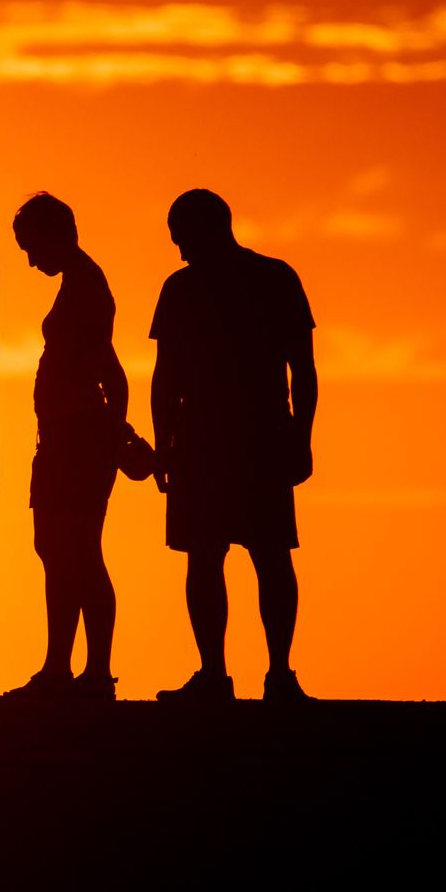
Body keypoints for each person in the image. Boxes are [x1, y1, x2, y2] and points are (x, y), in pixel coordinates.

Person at [149, 189, 316, 704]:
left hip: (229, 437)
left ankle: (244, 675)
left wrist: (164, 443)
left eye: (181, 237)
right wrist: (300, 436)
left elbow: (165, 376)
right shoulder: (272, 278)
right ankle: (253, 675)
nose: (178, 248)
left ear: (204, 229)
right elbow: (303, 372)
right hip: (242, 435)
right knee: (247, 556)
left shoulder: (194, 287)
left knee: (234, 556)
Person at [3, 193, 129, 701]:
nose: (31, 261)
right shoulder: (82, 285)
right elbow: (115, 370)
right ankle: (74, 669)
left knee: (73, 551)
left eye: (32, 247)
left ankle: (82, 671)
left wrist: (110, 437)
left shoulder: (86, 288)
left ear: (55, 234)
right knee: (61, 550)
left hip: (76, 436)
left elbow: (103, 369)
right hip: (66, 434)